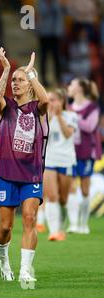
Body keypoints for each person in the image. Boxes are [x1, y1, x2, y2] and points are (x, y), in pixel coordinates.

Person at [0, 47, 49, 283]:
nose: (15, 84)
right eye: (14, 80)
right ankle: (3, 259)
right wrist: (6, 69)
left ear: (29, 85)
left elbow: (45, 99)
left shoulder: (37, 109)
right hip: (6, 173)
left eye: (20, 80)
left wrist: (32, 73)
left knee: (30, 218)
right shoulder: (7, 107)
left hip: (32, 173)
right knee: (6, 226)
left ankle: (25, 270)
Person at [66, 78, 101, 234]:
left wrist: (74, 116)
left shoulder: (92, 107)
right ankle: (73, 223)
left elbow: (90, 126)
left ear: (79, 88)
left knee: (85, 188)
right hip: (70, 151)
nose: (69, 87)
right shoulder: (68, 107)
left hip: (87, 152)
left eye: (72, 84)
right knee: (71, 187)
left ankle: (83, 223)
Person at [43, 88, 78, 241]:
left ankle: (61, 227)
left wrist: (59, 116)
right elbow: (42, 134)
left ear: (61, 101)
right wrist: (50, 116)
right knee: (51, 196)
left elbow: (68, 134)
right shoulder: (44, 117)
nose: (50, 103)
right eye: (48, 100)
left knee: (63, 199)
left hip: (66, 160)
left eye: (53, 100)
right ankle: (54, 231)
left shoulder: (71, 116)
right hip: (49, 160)